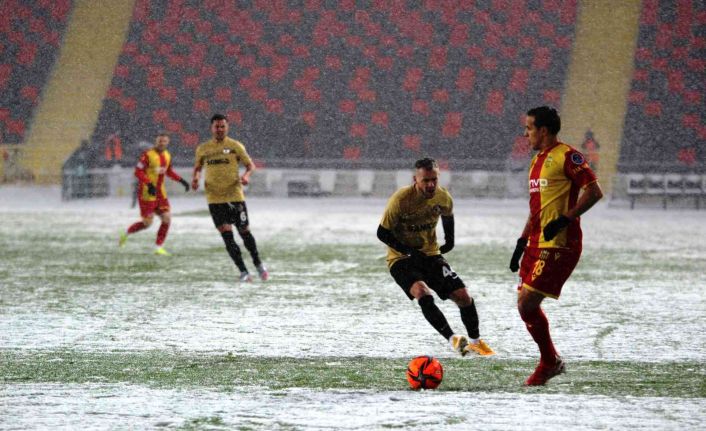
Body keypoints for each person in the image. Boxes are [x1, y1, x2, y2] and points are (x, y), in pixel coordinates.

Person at [509, 106, 603, 386]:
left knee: (527, 303)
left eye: (529, 128)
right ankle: (550, 361)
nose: (525, 133)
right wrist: (521, 241)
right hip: (536, 242)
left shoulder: (568, 156)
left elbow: (594, 191)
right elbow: (537, 209)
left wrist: (565, 219)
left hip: (559, 244)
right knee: (524, 306)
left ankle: (549, 362)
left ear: (543, 130)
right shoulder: (536, 161)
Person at [377, 158, 494, 357]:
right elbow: (382, 233)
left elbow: (448, 214)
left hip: (430, 255)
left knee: (463, 296)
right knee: (422, 293)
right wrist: (409, 251)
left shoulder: (443, 196)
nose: (431, 185)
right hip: (400, 258)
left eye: (434, 180)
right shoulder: (401, 199)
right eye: (426, 180)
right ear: (415, 179)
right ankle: (453, 339)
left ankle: (476, 343)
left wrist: (450, 240)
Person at [192, 113, 268, 282]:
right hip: (214, 198)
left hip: (234, 196)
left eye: (222, 126)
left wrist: (246, 176)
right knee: (227, 235)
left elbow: (250, 165)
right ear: (211, 128)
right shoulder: (203, 148)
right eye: (216, 126)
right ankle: (243, 271)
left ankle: (258, 263)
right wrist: (196, 178)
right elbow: (197, 168)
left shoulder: (235, 146)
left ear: (227, 127)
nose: (219, 129)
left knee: (244, 231)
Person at [119, 132, 189, 255]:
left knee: (167, 218)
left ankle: (158, 247)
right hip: (147, 193)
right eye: (159, 141)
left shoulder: (167, 155)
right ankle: (126, 233)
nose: (162, 143)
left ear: (168, 142)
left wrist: (182, 181)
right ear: (156, 142)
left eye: (164, 141)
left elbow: (169, 172)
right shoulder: (147, 155)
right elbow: (138, 172)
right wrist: (149, 184)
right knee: (147, 224)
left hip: (160, 193)